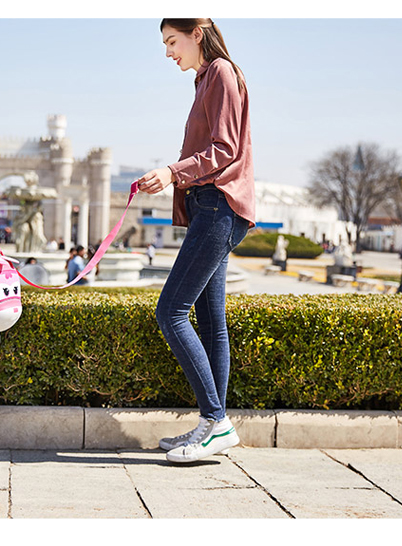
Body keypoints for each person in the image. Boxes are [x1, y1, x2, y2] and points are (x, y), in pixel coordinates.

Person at [137, 19, 255, 464]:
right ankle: (213, 423)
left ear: (197, 33)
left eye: (172, 41)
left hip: (218, 207)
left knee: (170, 310)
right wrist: (173, 176)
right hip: (213, 205)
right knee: (211, 321)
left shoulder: (221, 73)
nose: (168, 52)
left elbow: (225, 149)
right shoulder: (208, 78)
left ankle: (217, 422)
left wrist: (172, 171)